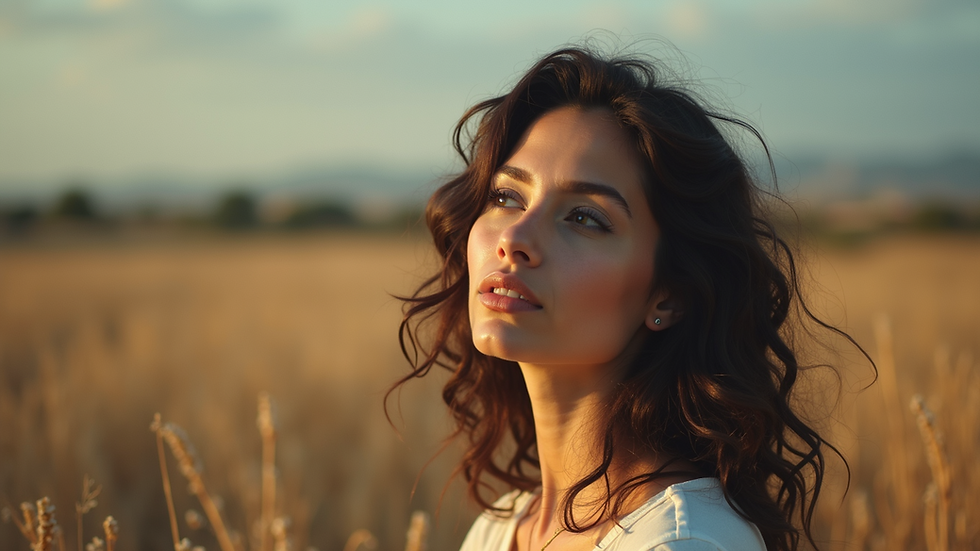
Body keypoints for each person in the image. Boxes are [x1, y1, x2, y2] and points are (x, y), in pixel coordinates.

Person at [391, 46, 862, 551]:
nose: (514, 238)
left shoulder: (685, 542)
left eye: (584, 218)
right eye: (507, 197)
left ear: (669, 296)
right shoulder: (500, 530)